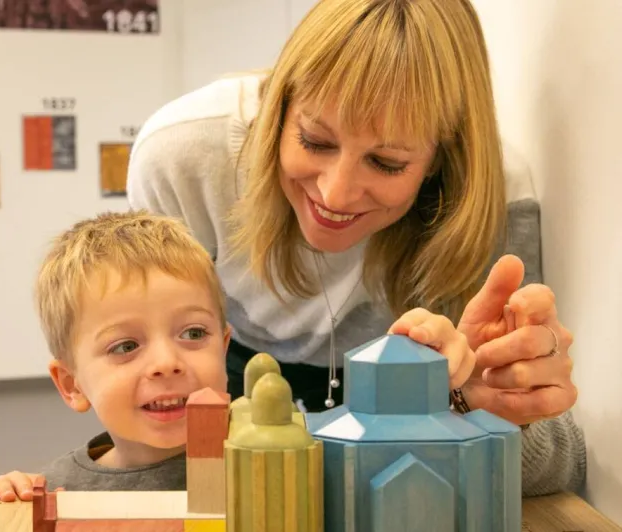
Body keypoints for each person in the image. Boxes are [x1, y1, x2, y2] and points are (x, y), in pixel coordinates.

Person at [124, 0, 585, 497]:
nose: (336, 194)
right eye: (314, 141)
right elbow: (139, 429)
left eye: (386, 162)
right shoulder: (182, 159)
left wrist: (476, 408)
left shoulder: (492, 199)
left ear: (440, 158)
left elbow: (560, 463)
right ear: (279, 108)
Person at [0, 210, 475, 500]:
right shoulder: (56, 493)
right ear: (71, 384)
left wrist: (431, 378)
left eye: (192, 333)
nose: (166, 362)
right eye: (125, 346)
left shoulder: (290, 451)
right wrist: (6, 503)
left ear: (224, 346)